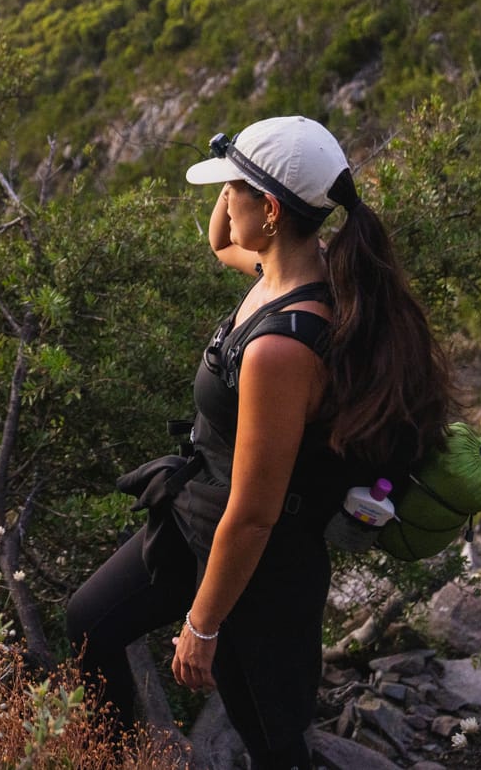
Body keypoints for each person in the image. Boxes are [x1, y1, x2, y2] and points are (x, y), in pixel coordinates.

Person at [65, 116, 455, 769]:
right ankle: (112, 757)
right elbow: (222, 242)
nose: (224, 202)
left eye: (233, 189)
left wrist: (202, 626)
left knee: (272, 739)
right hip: (195, 519)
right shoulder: (288, 269)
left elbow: (254, 512)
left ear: (270, 211)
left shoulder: (283, 346)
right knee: (89, 622)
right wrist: (236, 165)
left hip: (259, 567)